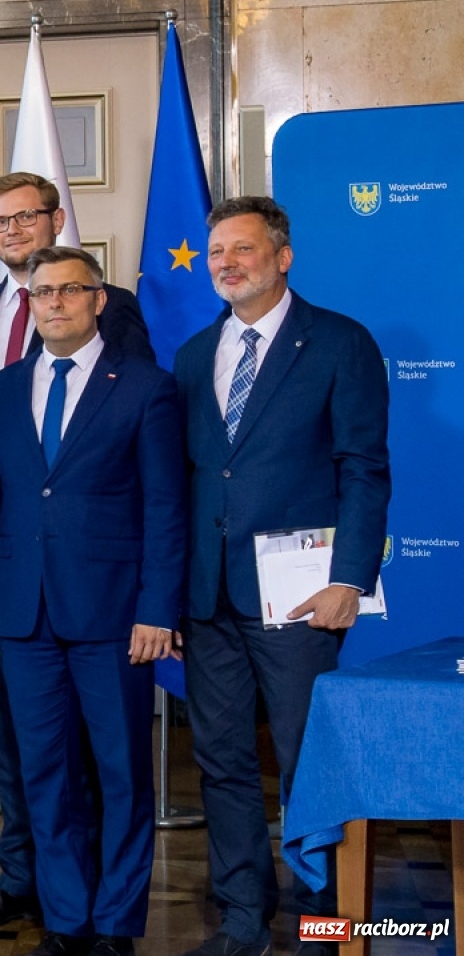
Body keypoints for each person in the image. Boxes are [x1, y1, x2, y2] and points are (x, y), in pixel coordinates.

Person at [175, 197, 390, 956]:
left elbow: (363, 470)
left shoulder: (338, 342)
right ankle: (242, 916)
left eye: (244, 249)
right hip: (208, 596)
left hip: (300, 594)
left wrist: (350, 578)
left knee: (308, 760)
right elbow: (192, 479)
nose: (228, 263)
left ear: (283, 255)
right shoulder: (195, 354)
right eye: (216, 253)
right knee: (223, 760)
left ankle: (323, 914)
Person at [0, 246, 185, 956]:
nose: (52, 302)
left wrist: (158, 608)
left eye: (68, 291)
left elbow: (165, 506)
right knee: (44, 774)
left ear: (98, 301)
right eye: (42, 292)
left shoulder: (144, 387)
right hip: (20, 617)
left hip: (115, 616)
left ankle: (116, 923)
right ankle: (66, 919)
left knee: (120, 773)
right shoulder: (1, 389)